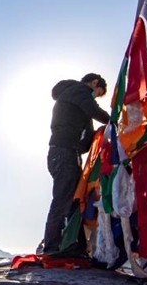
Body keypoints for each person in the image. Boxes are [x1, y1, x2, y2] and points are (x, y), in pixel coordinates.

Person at [43, 73, 110, 254]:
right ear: (94, 83)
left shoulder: (73, 100)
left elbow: (85, 136)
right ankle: (51, 247)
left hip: (66, 153)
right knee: (62, 199)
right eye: (97, 93)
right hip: (64, 153)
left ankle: (76, 246)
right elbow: (93, 110)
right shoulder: (79, 90)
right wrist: (112, 121)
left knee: (75, 199)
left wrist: (99, 134)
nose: (95, 97)